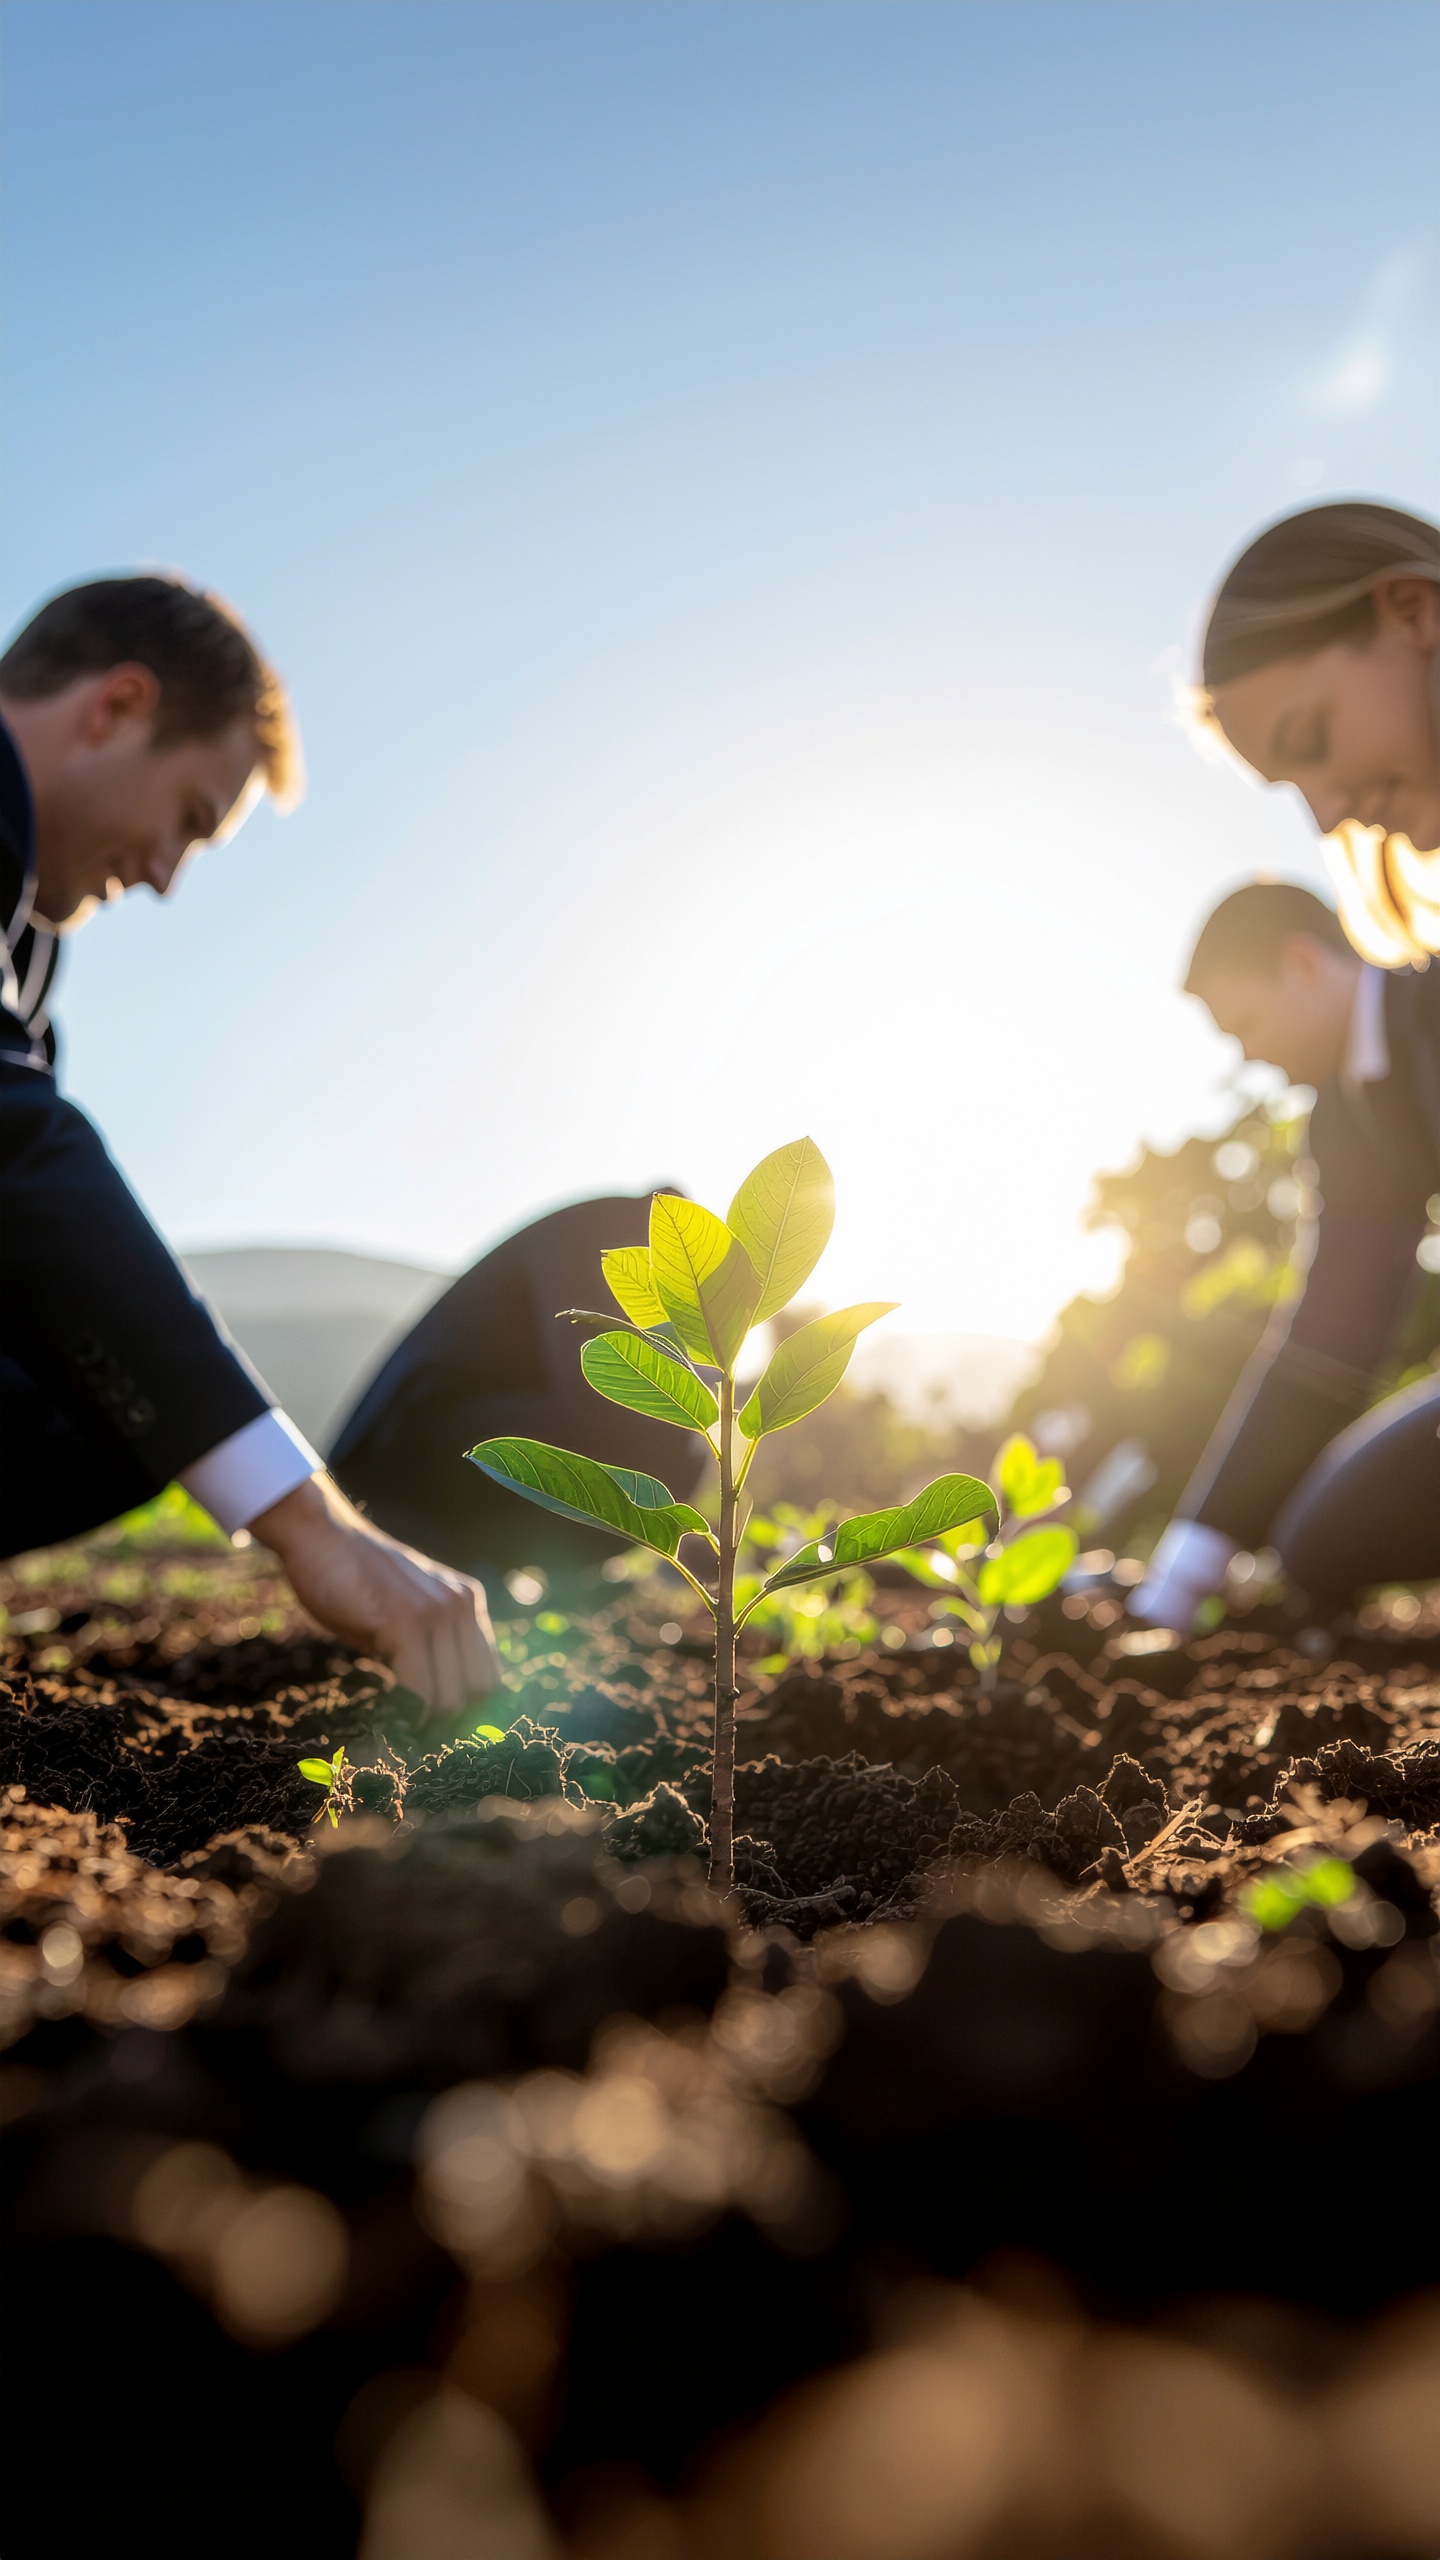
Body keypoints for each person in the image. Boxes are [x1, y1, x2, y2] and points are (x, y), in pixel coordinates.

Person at [1, 573, 499, 1714]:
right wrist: (307, 1523)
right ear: (116, 707)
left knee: (106, 1403)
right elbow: (16, 1159)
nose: (170, 876)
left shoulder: (29, 957)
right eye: (189, 815)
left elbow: (42, 1264)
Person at [1136, 495, 1440, 1625]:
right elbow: (1326, 1340)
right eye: (1290, 785)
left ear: (1413, 615)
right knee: (1321, 1534)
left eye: (1313, 741)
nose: (1330, 815)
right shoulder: (1352, 1120)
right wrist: (1179, 1578)